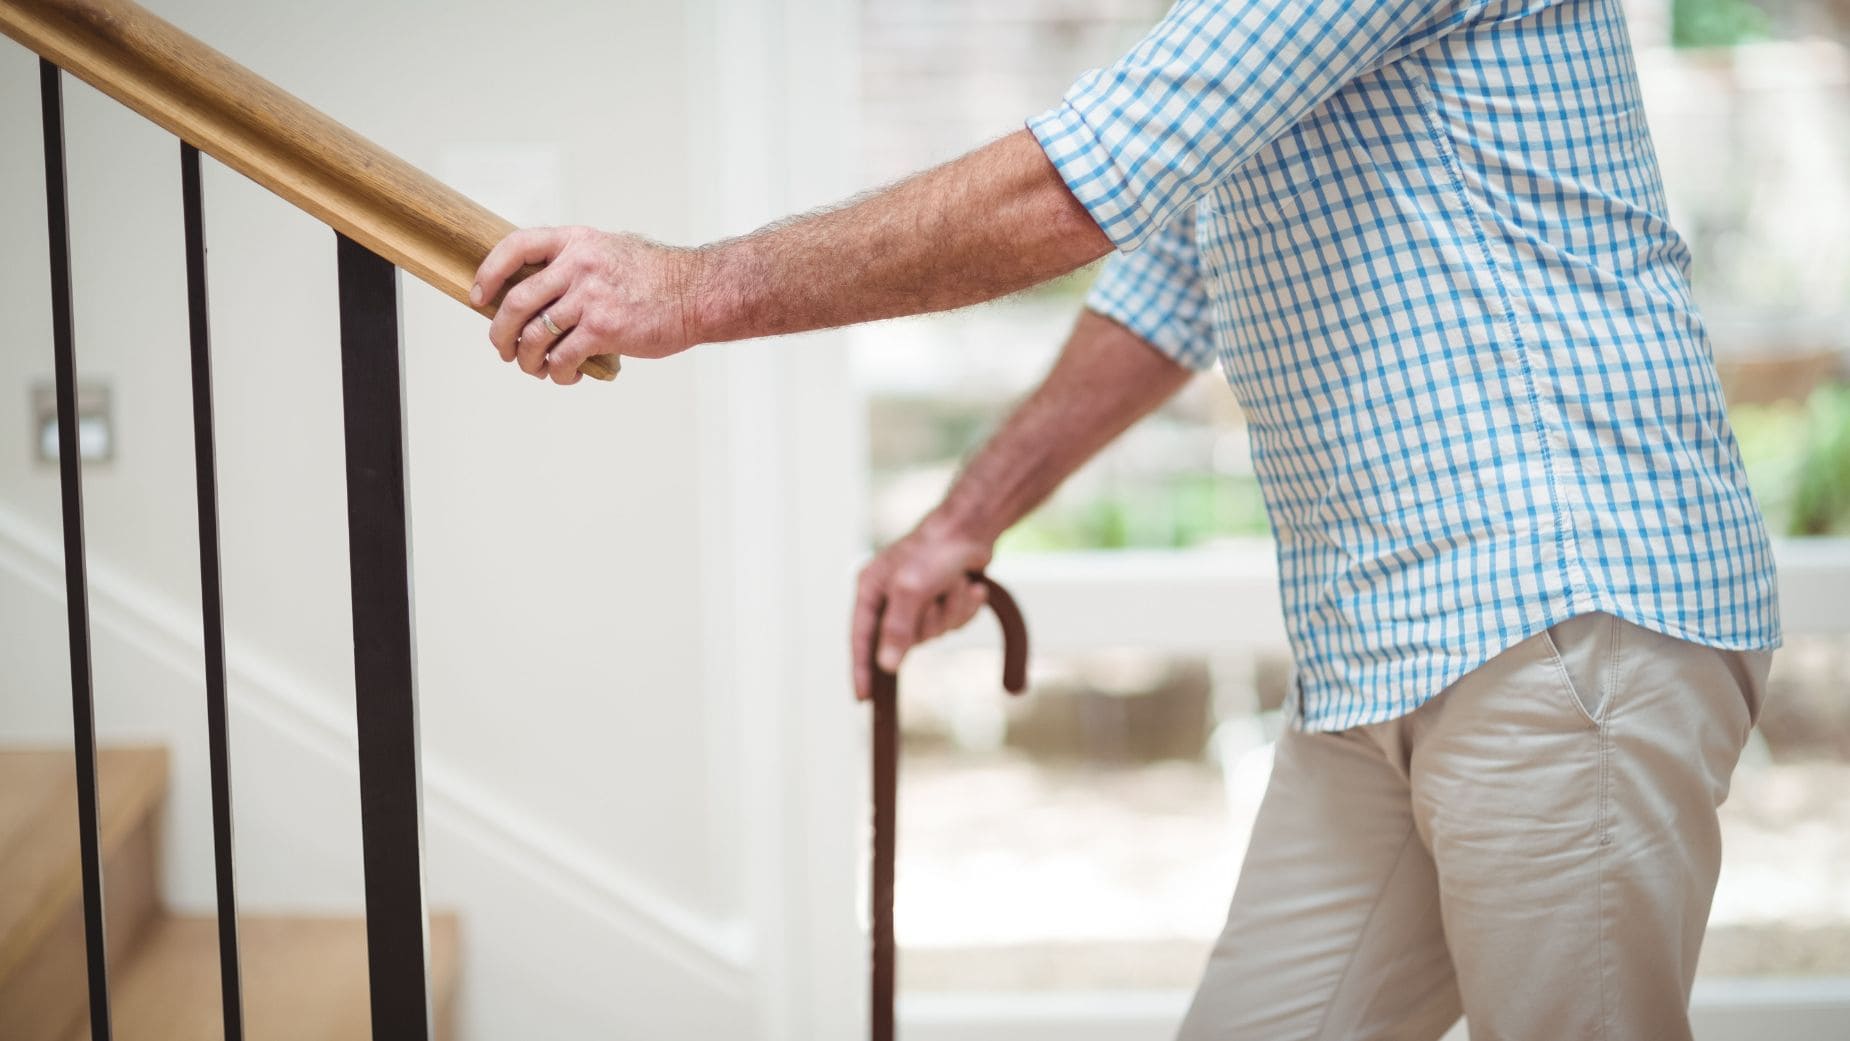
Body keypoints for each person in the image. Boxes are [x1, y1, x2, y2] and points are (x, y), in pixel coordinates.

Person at [473, 0, 1781, 1036]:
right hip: (1392, 647)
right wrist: (960, 522)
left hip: (1558, 613)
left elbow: (1064, 192)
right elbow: (1163, 286)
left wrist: (691, 288)